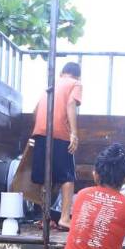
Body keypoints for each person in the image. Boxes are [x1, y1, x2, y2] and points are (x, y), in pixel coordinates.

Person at [29, 61, 83, 229]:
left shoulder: (51, 86)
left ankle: (45, 218)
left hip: (40, 132)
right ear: (77, 75)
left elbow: (35, 111)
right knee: (67, 176)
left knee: (45, 178)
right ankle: (65, 218)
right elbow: (71, 104)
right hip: (60, 133)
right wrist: (73, 133)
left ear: (62, 72)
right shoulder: (76, 83)